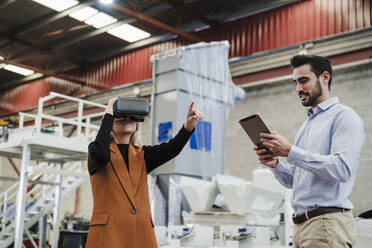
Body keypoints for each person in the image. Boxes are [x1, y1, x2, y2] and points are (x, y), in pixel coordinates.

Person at [254, 54, 366, 248]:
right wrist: (275, 165)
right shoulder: (306, 126)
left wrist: (290, 151)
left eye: (303, 80)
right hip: (301, 226)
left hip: (326, 224)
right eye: (295, 82)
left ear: (325, 77)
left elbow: (342, 169)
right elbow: (295, 181)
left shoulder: (344, 117)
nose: (298, 89)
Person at [85, 97, 202, 248]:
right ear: (110, 123)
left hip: (141, 234)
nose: (127, 119)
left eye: (132, 117)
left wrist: (188, 127)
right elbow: (101, 153)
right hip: (109, 235)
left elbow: (171, 149)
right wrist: (109, 112)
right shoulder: (97, 151)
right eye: (121, 116)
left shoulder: (142, 155)